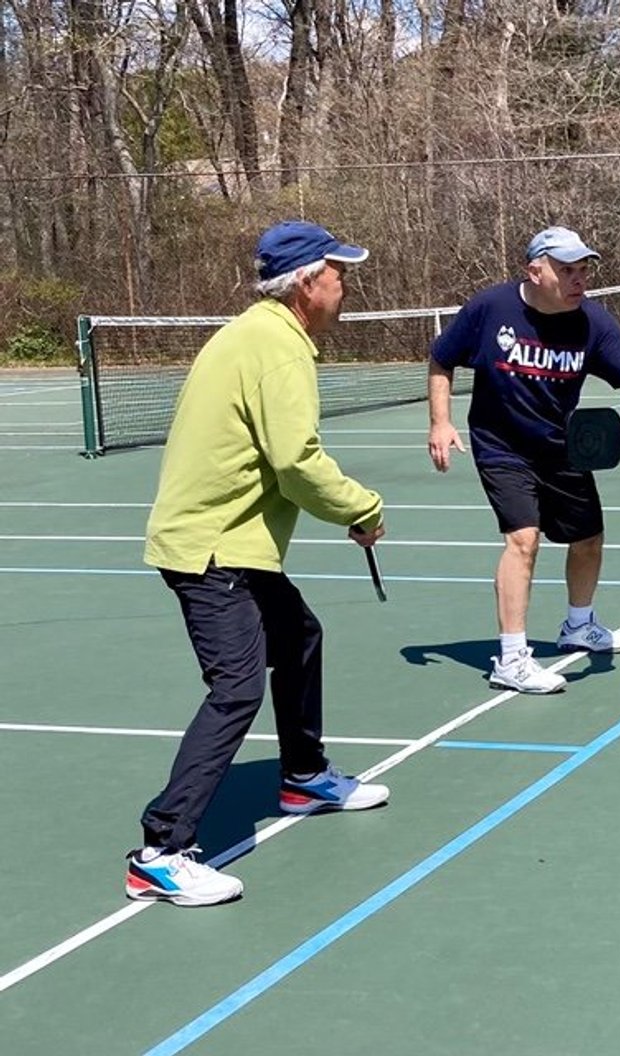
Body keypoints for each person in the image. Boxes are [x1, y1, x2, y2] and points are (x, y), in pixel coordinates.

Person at [126, 220, 390, 908]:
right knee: (238, 686)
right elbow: (296, 461)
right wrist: (362, 507)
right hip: (212, 548)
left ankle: (303, 776)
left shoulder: (261, 333)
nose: (345, 284)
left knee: (299, 637)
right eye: (339, 271)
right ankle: (161, 849)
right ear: (308, 283)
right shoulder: (278, 350)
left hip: (235, 541)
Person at [427, 225, 620, 695]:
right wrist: (440, 423)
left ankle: (578, 625)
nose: (579, 280)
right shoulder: (490, 309)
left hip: (563, 448)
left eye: (583, 270)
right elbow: (440, 360)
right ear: (535, 271)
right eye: (567, 270)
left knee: (589, 539)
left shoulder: (592, 321)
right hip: (502, 447)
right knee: (523, 541)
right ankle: (512, 659)